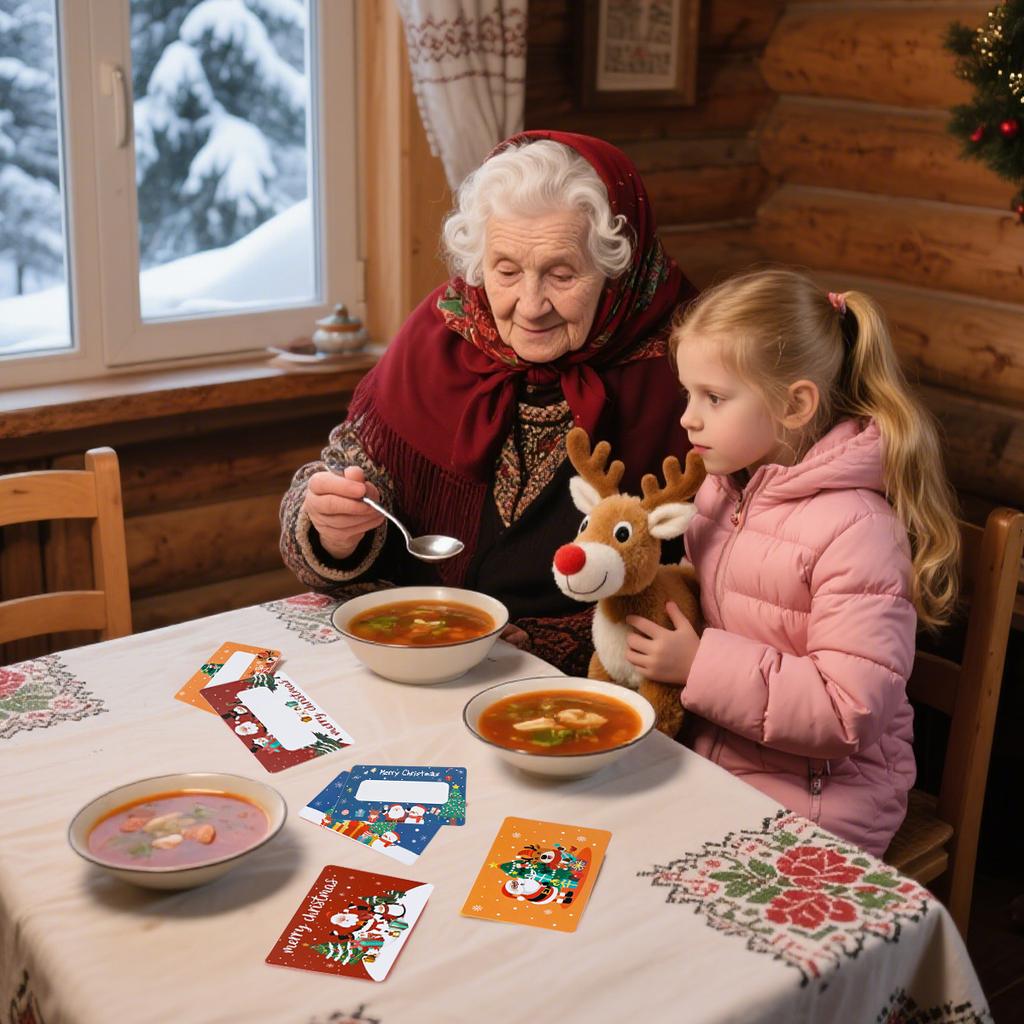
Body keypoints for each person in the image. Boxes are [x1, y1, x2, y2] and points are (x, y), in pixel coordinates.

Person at [280, 131, 695, 674]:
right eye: (505, 270)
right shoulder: (438, 333)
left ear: (619, 270)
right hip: (420, 652)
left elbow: (708, 587)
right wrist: (332, 531)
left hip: (593, 687)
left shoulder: (687, 366)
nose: (530, 304)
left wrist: (540, 648)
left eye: (562, 273)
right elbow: (336, 491)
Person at [624, 268, 960, 856]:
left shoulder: (859, 530)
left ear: (796, 404)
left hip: (823, 797)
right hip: (720, 756)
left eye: (714, 398)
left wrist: (699, 665)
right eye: (688, 394)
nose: (688, 417)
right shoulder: (721, 492)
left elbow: (847, 709)